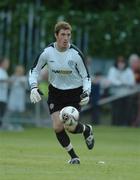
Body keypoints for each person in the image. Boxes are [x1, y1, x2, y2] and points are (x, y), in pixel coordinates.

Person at [29, 21, 94, 164]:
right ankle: (74, 157)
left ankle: (86, 129)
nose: (66, 38)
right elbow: (34, 71)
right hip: (56, 93)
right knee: (57, 126)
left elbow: (86, 76)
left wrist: (87, 92)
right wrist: (33, 87)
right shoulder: (47, 52)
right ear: (56, 35)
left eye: (68, 35)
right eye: (63, 35)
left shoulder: (76, 54)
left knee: (70, 128)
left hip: (74, 93)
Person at [107, 56, 135, 126]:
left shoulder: (129, 71)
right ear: (117, 63)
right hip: (115, 94)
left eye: (122, 63)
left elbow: (132, 82)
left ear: (125, 63)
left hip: (126, 94)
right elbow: (111, 80)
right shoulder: (112, 70)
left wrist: (122, 83)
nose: (120, 64)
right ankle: (115, 124)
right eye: (119, 62)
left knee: (126, 111)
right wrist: (121, 83)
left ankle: (125, 124)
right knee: (116, 111)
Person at [0, 57, 10, 127]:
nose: (8, 64)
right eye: (6, 63)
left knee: (2, 113)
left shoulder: (4, 72)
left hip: (3, 97)